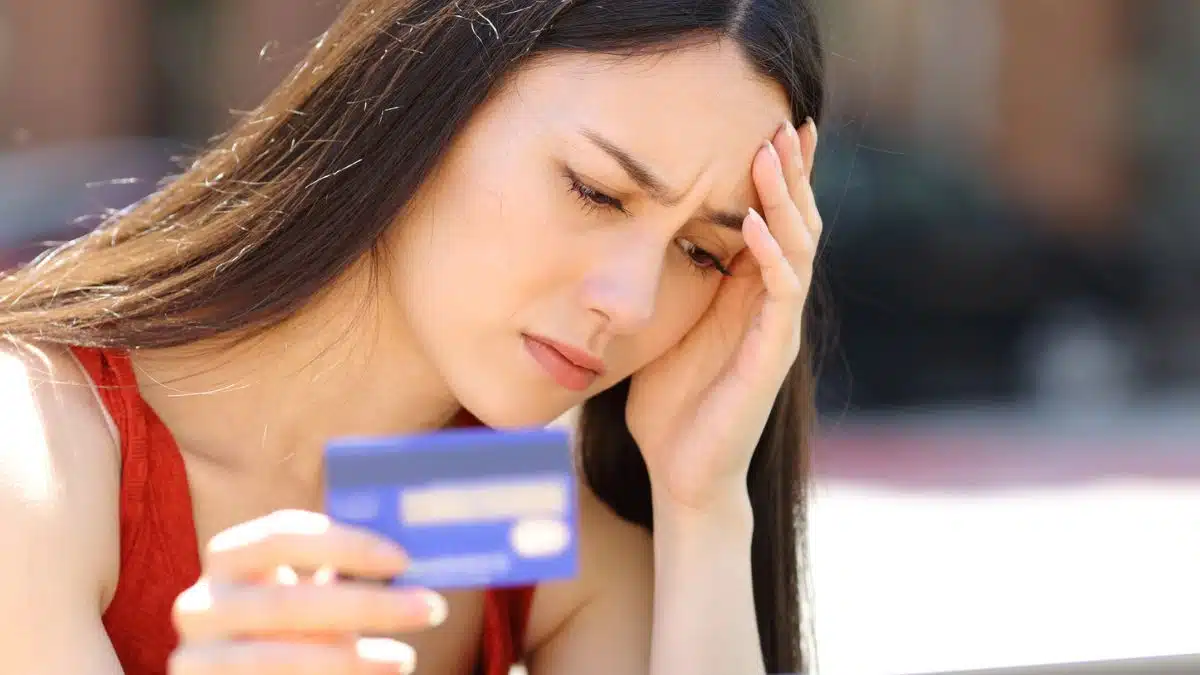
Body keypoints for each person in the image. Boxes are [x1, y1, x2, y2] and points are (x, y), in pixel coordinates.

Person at [0, 1, 825, 674]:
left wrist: (704, 506)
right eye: (597, 192)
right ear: (433, 94)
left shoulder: (532, 533)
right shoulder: (34, 449)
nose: (635, 303)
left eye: (700, 252)